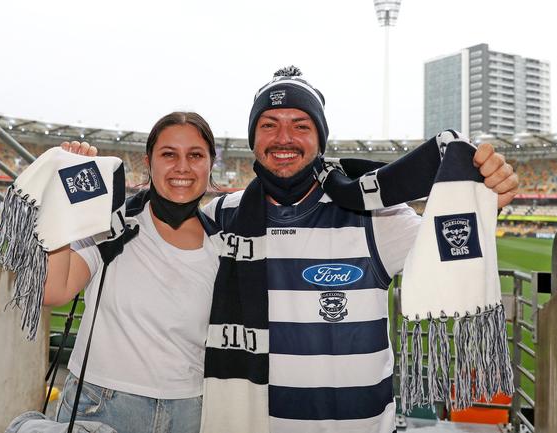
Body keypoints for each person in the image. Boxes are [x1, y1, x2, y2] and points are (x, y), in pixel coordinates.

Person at [197, 67, 519, 433]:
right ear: (253, 138)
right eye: (269, 125)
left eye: (301, 125)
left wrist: (484, 195)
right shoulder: (222, 215)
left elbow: (449, 245)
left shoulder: (375, 215)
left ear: (321, 139)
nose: (283, 138)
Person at [43, 112, 220, 433]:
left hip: (188, 409)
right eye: (169, 154)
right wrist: (62, 205)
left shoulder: (222, 242)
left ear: (211, 164)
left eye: (195, 155)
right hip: (99, 404)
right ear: (148, 162)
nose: (182, 166)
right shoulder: (111, 222)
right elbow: (53, 292)